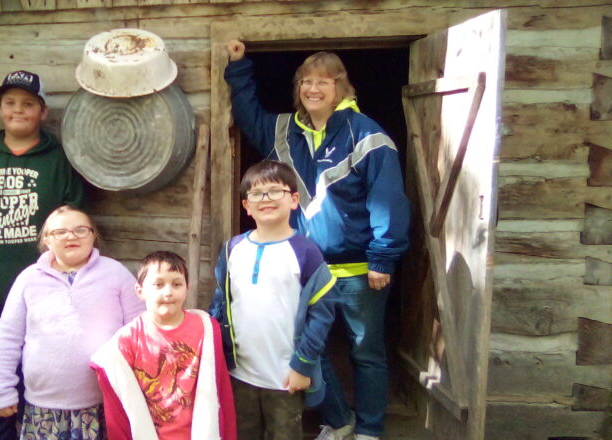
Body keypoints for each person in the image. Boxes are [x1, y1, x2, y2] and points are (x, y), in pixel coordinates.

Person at [223, 41, 411, 440]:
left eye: (324, 81)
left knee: (366, 354)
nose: (313, 89)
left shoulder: (367, 134)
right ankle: (341, 420)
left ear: (341, 86)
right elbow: (248, 114)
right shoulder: (284, 132)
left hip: (360, 269)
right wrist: (238, 65)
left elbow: (388, 197)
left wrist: (383, 258)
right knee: (312, 351)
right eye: (306, 81)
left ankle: (370, 430)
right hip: (307, 268)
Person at [0, 70, 86, 439]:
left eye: (27, 104)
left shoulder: (60, 161)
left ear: (42, 111)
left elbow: (76, 224)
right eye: (10, 103)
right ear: (0, 109)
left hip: (47, 301)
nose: (18, 110)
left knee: (42, 384)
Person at [0, 205, 143, 440]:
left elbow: (141, 330)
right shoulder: (29, 279)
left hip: (103, 404)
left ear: (93, 236)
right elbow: (7, 338)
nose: (71, 236)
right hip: (43, 409)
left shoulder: (115, 274)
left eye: (81, 230)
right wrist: (1, 390)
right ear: (47, 240)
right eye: (60, 232)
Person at [209, 160, 337, 440]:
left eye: (275, 191)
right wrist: (216, 356)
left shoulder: (306, 252)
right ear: (246, 206)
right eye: (256, 194)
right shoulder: (233, 249)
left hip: (284, 378)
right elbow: (220, 304)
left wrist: (302, 365)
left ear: (293, 200)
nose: (265, 199)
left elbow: (322, 314)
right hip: (239, 373)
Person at [91, 251, 237, 440]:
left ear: (187, 288)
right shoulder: (126, 341)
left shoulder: (206, 329)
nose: (168, 292)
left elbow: (221, 391)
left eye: (177, 284)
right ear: (140, 291)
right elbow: (117, 393)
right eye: (158, 284)